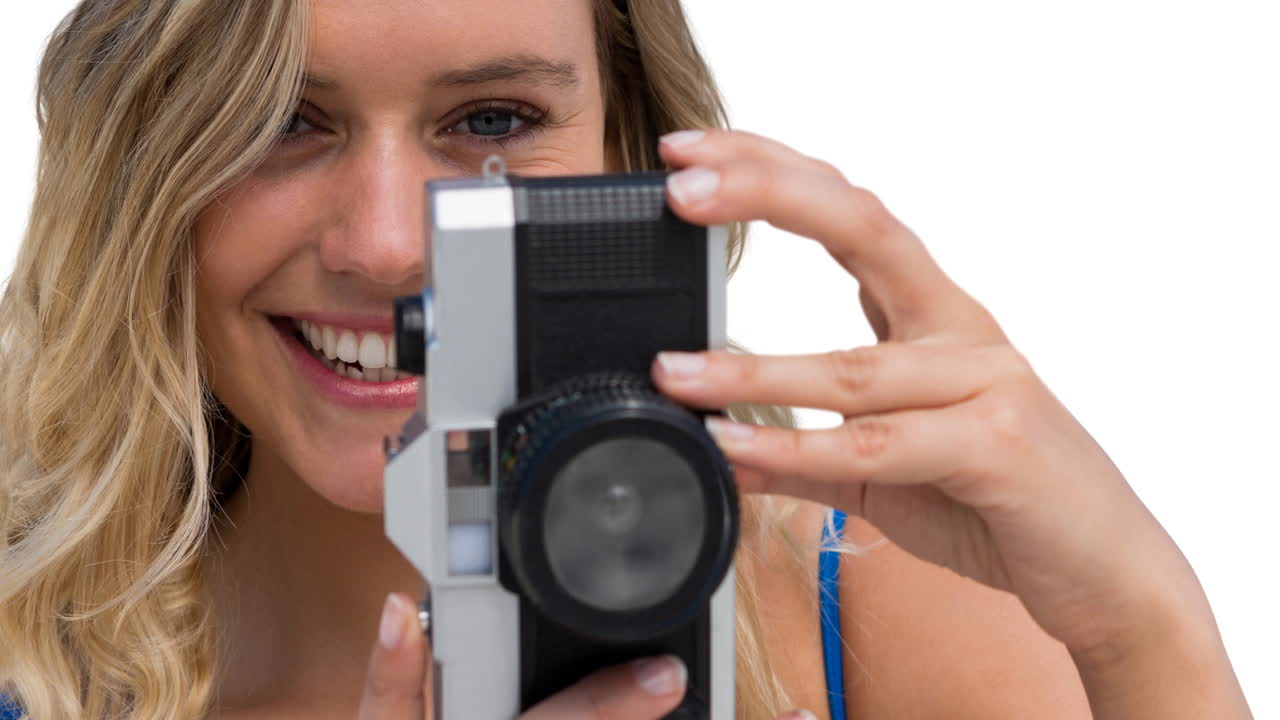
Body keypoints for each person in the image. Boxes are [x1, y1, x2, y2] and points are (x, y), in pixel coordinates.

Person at [0, 1, 1253, 719]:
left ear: (632, 161)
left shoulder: (872, 609)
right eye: (280, 123)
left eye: (492, 122)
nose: (385, 245)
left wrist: (1142, 624)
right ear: (137, 170)